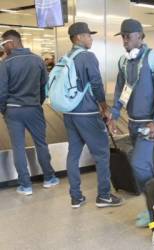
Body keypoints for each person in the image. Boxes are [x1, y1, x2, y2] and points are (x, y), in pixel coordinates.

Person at [109, 18, 154, 226]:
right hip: (133, 123)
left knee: (138, 163)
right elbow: (120, 90)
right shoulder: (124, 62)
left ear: (140, 36)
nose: (124, 40)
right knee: (147, 167)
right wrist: (114, 114)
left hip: (149, 124)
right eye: (122, 37)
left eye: (128, 36)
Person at [63, 22, 122, 208]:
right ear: (79, 37)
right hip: (87, 113)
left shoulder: (66, 57)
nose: (91, 38)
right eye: (88, 35)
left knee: (73, 154)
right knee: (102, 153)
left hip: (69, 112)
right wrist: (104, 107)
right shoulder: (87, 57)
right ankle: (104, 195)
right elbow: (96, 84)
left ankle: (76, 197)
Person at [0, 30, 59, 195]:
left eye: (3, 45)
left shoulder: (5, 63)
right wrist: (36, 103)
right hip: (33, 109)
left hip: (13, 111)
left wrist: (4, 109)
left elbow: (1, 91)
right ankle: (49, 178)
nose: (3, 49)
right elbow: (44, 87)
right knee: (41, 143)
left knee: (18, 147)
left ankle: (25, 185)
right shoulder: (37, 60)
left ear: (11, 42)